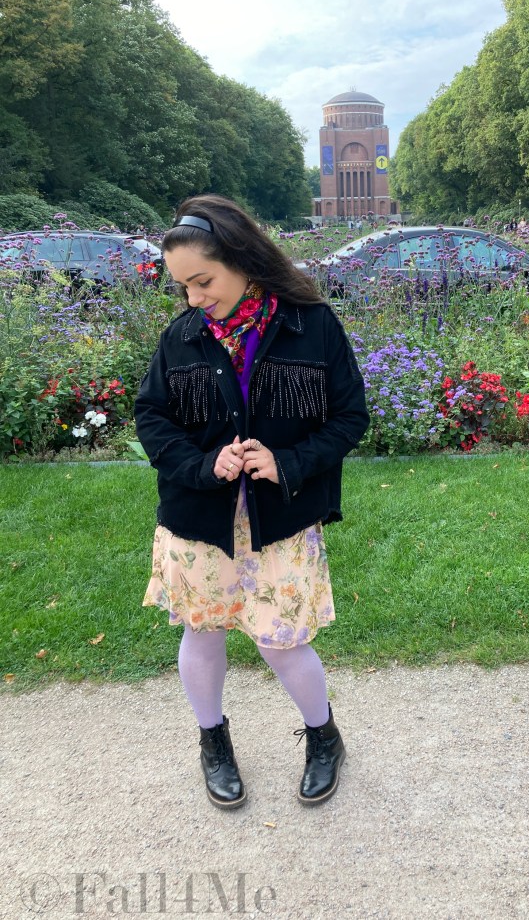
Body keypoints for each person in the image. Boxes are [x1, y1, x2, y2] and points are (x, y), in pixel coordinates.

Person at [134, 194, 369, 810]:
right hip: (197, 519)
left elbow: (350, 415)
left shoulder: (310, 323)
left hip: (281, 518)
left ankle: (325, 737)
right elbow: (152, 418)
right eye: (182, 285)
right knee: (202, 633)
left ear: (240, 258)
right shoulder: (181, 337)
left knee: (280, 639)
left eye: (202, 281)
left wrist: (288, 463)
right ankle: (212, 740)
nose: (192, 298)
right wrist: (202, 464)